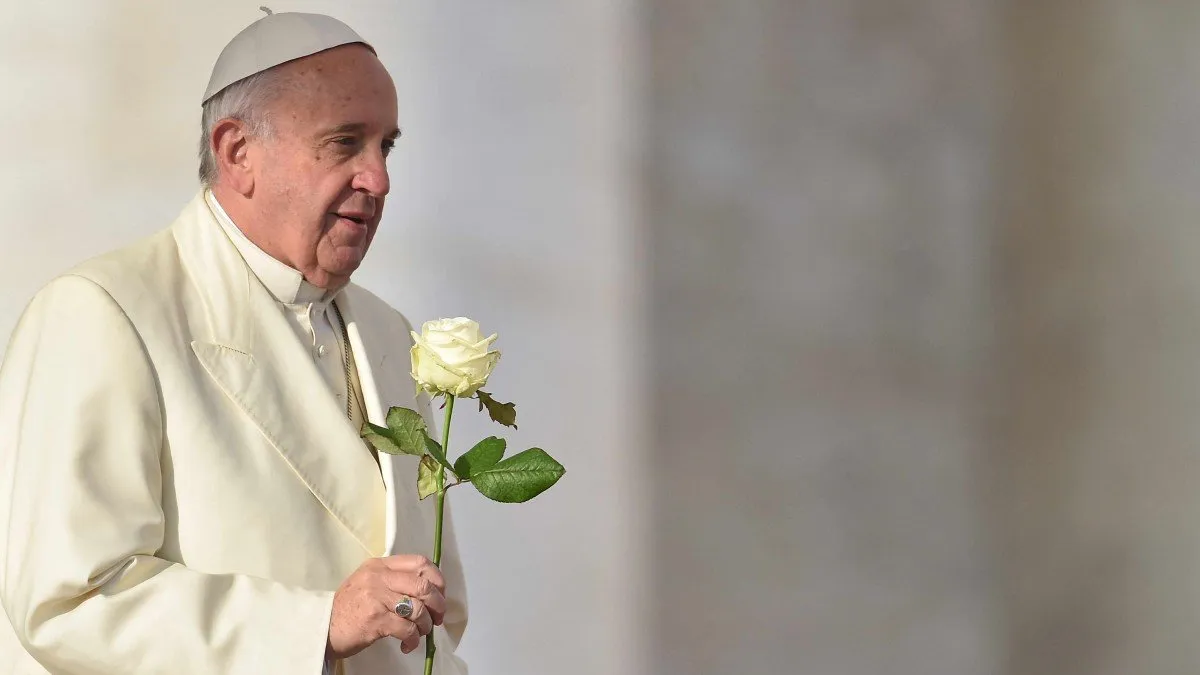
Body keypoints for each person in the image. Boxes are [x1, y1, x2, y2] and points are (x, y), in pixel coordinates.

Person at [0, 11, 468, 675]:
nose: (379, 179)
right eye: (344, 144)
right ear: (237, 152)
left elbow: (438, 617)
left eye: (385, 146)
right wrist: (317, 623)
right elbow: (71, 600)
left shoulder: (389, 334)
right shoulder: (106, 313)